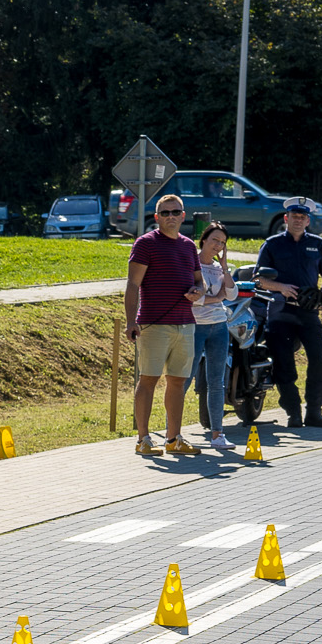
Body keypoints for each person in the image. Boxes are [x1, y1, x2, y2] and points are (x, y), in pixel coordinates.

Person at [125, 193, 206, 456]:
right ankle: (143, 439)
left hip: (185, 324)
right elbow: (132, 285)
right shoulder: (146, 243)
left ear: (183, 216)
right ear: (157, 217)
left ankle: (173, 439)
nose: (171, 216)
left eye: (176, 212)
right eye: (165, 213)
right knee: (148, 379)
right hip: (154, 324)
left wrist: (197, 290)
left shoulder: (188, 246)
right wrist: (130, 321)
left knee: (177, 382)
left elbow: (200, 282)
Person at [256, 198, 322, 427]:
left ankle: (314, 411)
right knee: (283, 363)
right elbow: (259, 279)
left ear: (308, 220)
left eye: (302, 217)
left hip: (308, 312)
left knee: (318, 358)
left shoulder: (318, 244)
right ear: (286, 219)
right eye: (294, 217)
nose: (298, 220)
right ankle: (293, 412)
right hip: (280, 310)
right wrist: (281, 287)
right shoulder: (272, 244)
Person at [190, 223, 239, 450]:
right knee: (183, 378)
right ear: (204, 240)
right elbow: (193, 299)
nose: (217, 245)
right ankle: (173, 432)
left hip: (219, 327)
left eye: (222, 243)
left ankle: (217, 434)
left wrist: (226, 266)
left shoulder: (220, 269)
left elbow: (231, 293)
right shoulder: (192, 263)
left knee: (217, 382)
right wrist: (216, 298)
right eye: (214, 240)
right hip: (195, 326)